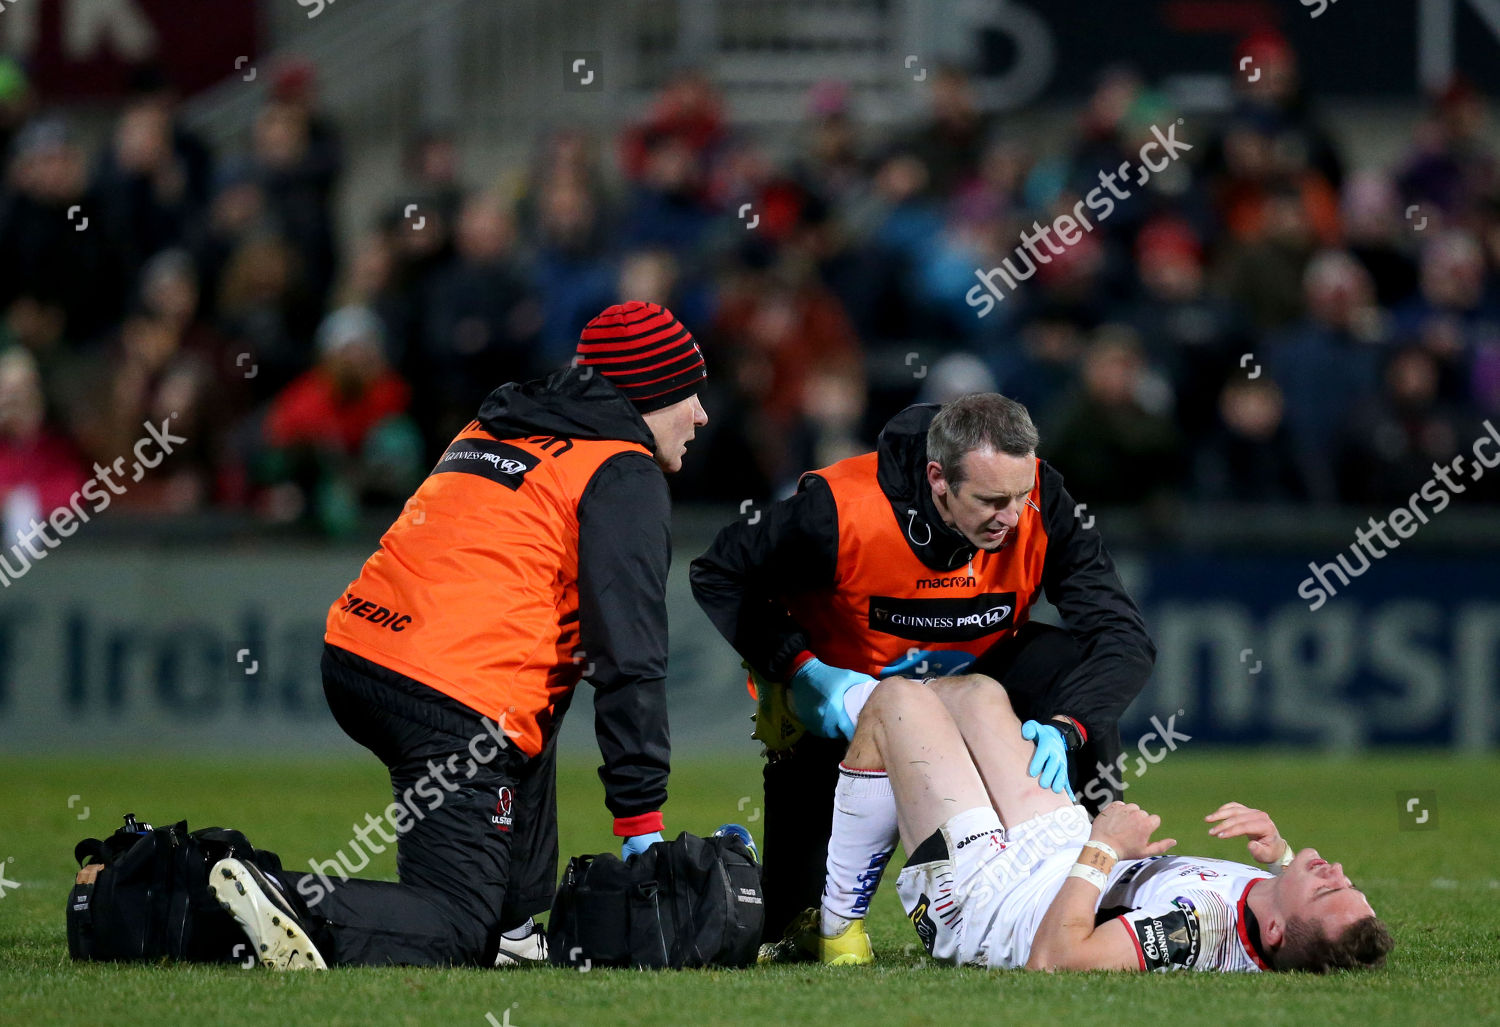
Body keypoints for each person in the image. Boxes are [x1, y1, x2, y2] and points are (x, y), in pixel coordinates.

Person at [208, 301, 709, 969]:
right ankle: (287, 900)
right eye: (687, 393)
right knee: (452, 927)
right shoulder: (622, 468)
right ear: (647, 394)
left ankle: (512, 926)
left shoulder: (501, 421)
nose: (701, 413)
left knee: (530, 689)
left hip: (360, 652)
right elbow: (629, 656)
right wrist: (642, 827)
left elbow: (547, 661)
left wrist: (522, 907)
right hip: (448, 692)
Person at [689, 392, 1154, 949]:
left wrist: (1068, 725)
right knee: (794, 930)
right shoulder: (837, 510)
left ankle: (1106, 883)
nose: (1011, 518)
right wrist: (801, 668)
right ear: (938, 479)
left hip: (988, 700)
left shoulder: (1042, 500)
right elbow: (718, 573)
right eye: (990, 500)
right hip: (850, 715)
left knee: (1069, 666)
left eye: (1020, 497)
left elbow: (1123, 636)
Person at [780, 671, 1393, 973]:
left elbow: (1056, 956)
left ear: (1278, 931)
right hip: (1052, 850)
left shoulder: (1194, 933)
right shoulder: (1271, 903)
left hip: (988, 899)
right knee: (976, 695)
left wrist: (1103, 847)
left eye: (1328, 887)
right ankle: (853, 709)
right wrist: (1284, 859)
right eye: (1348, 880)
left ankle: (836, 928)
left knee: (899, 704)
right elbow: (1298, 901)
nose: (1336, 870)